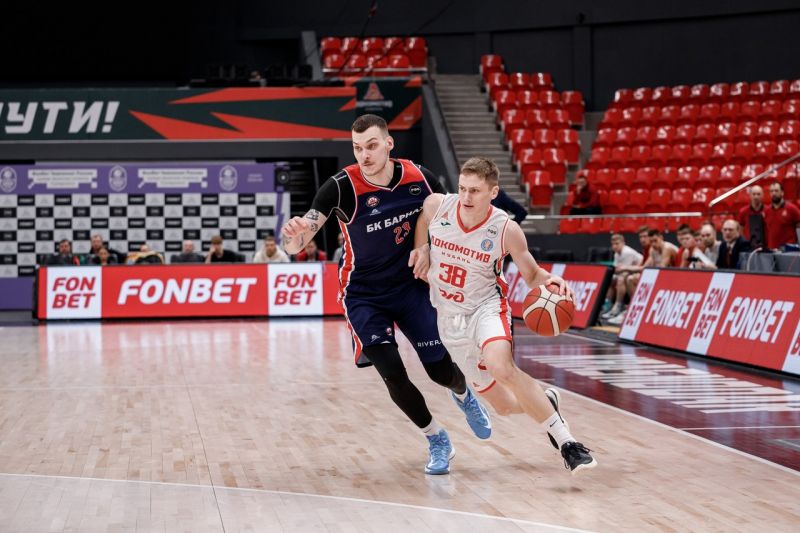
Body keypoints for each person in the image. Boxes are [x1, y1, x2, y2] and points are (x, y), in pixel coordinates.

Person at [280, 114, 492, 475]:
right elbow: (298, 242)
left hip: (410, 287)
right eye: (357, 148)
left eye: (372, 145)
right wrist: (294, 235)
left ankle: (463, 394)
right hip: (363, 295)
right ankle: (436, 438)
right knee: (392, 371)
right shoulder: (340, 187)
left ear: (389, 144)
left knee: (440, 370)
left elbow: (448, 222)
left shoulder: (420, 177)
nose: (364, 155)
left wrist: (429, 249)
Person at [409, 157, 597, 475]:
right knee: (505, 406)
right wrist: (422, 248)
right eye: (462, 188)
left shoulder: (506, 229)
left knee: (502, 367)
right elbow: (423, 221)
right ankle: (545, 400)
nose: (466, 197)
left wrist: (549, 280)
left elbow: (531, 273)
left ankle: (568, 443)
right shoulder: (437, 206)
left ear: (493, 192)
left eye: (475, 191)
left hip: (487, 308)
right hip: (450, 319)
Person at [601, 234, 643, 321]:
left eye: (617, 244)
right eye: (613, 244)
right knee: (610, 279)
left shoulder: (627, 252)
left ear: (623, 243)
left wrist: (617, 272)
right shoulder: (616, 254)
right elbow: (616, 270)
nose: (614, 246)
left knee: (621, 279)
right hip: (630, 272)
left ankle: (618, 305)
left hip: (639, 273)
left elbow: (624, 271)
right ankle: (608, 303)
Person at [765, 181, 800, 250]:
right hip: (772, 250)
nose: (774, 193)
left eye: (776, 191)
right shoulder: (767, 211)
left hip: (788, 251)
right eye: (771, 191)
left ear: (782, 193)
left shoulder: (792, 209)